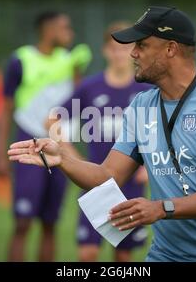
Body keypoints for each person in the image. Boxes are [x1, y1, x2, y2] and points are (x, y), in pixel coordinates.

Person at [9, 6, 196, 262]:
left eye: (141, 45)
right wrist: (63, 158)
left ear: (170, 49)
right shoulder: (141, 106)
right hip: (166, 256)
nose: (133, 53)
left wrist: (162, 208)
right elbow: (107, 176)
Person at [47, 21, 151, 262]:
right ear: (105, 51)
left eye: (125, 48)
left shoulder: (146, 89)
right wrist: (71, 157)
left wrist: (148, 166)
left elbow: (163, 130)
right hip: (95, 181)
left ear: (135, 50)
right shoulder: (90, 87)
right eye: (113, 48)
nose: (119, 54)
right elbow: (52, 119)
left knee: (124, 256)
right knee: (87, 253)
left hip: (131, 182)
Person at [0, 11, 92, 261]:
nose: (70, 33)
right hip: (29, 142)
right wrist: (0, 155)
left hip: (58, 148)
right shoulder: (21, 60)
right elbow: (6, 112)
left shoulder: (71, 61)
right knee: (23, 223)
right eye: (65, 27)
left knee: (50, 225)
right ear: (48, 30)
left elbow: (78, 104)